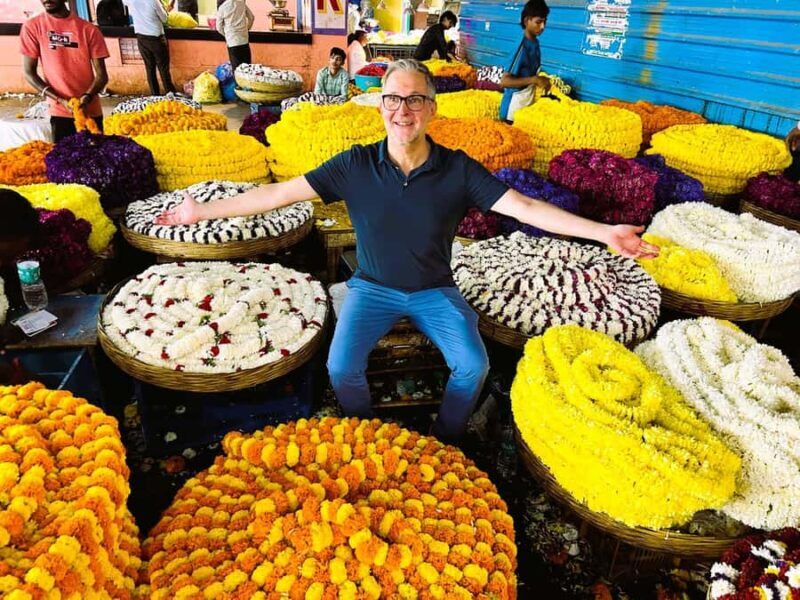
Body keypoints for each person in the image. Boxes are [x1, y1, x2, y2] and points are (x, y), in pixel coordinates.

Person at [154, 59, 657, 442]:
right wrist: (202, 213)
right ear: (380, 107)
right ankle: (372, 434)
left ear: (432, 109)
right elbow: (277, 194)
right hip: (371, 289)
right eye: (393, 99)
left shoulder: (458, 169)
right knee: (340, 368)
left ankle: (444, 438)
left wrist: (603, 232)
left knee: (473, 366)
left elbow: (524, 207)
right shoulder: (354, 165)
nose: (403, 110)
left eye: (415, 100)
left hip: (435, 290)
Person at [20, 0, 110, 142]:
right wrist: (59, 99)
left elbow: (102, 76)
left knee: (95, 159)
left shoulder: (89, 30)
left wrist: (87, 97)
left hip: (90, 111)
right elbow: (29, 73)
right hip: (59, 112)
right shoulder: (32, 27)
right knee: (64, 161)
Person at [499, 0, 551, 121]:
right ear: (526, 21)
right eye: (538, 22)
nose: (542, 27)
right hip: (512, 110)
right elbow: (505, 81)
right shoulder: (521, 47)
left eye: (544, 22)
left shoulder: (535, 43)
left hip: (525, 103)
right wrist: (534, 79)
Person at [125, 0, 177, 95]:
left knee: (150, 69)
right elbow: (165, 18)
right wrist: (166, 9)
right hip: (156, 39)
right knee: (163, 69)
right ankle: (170, 94)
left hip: (141, 38)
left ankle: (155, 96)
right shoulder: (154, 1)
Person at [216, 0, 254, 73]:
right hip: (244, 40)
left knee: (237, 71)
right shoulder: (241, 3)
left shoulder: (223, 7)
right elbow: (251, 17)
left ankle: (238, 84)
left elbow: (218, 27)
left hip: (232, 42)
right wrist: (246, 29)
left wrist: (227, 35)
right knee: (248, 70)